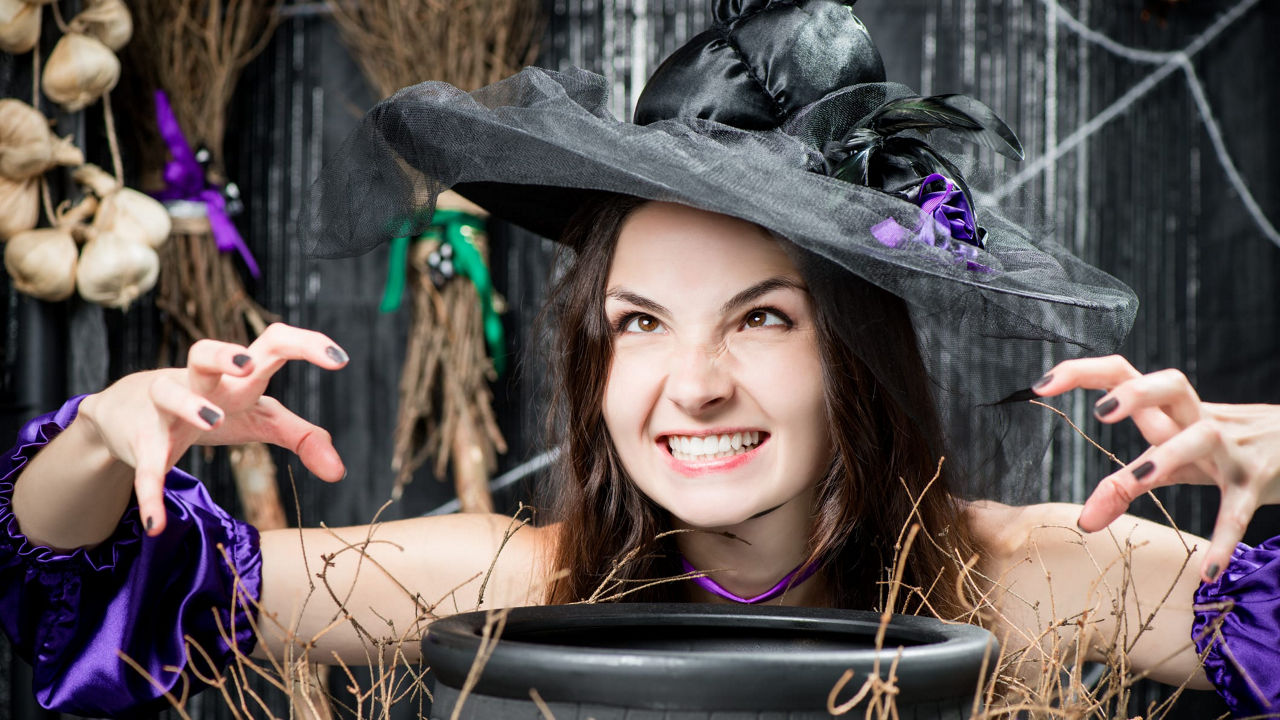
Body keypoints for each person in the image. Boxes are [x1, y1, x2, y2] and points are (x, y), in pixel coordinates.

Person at [2, 0, 1278, 717]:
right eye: (639, 323)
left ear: (856, 356)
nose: (693, 383)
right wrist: (101, 434)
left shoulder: (1038, 574)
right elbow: (91, 586)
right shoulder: (500, 571)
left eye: (762, 319)